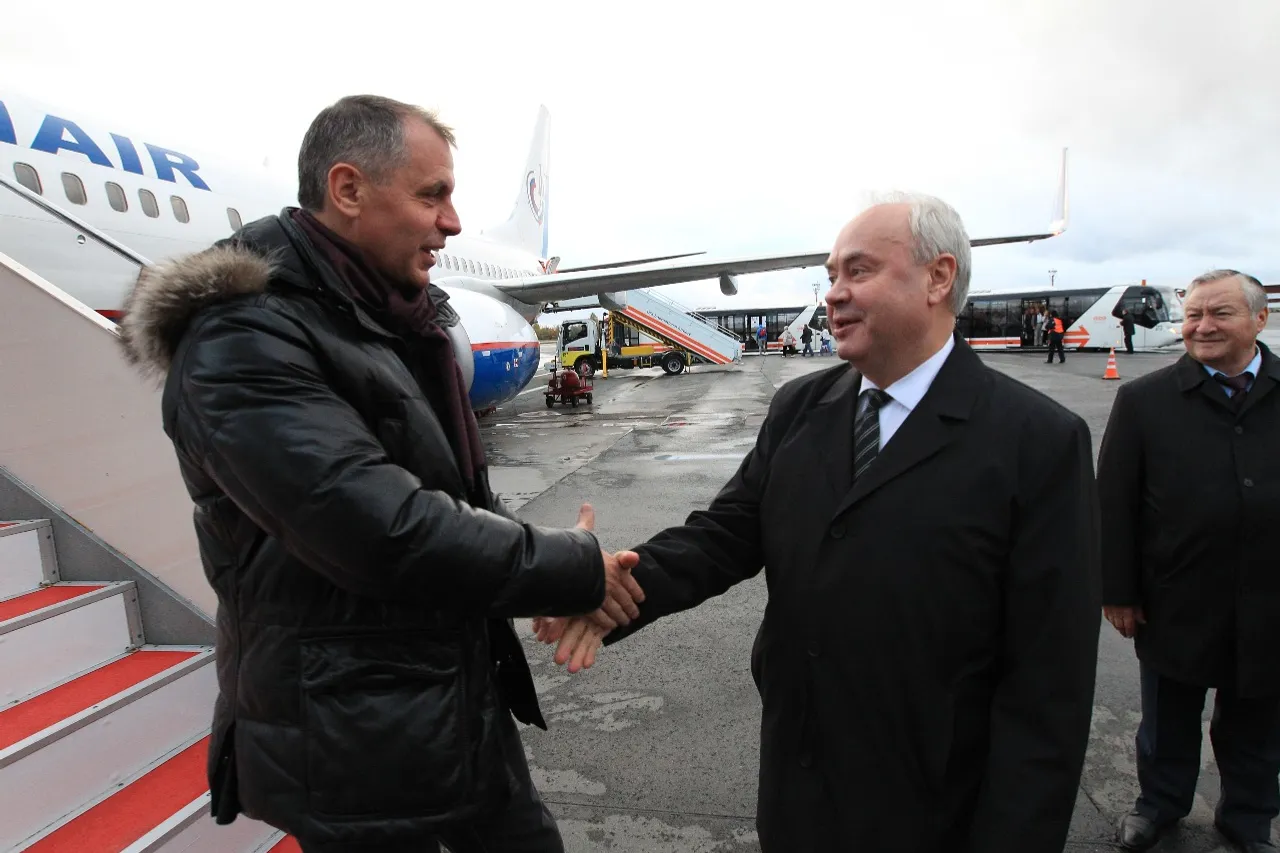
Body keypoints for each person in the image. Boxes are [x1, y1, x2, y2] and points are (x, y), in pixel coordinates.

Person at [118, 94, 644, 853]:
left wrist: (542, 575)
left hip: (453, 702)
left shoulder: (385, 316)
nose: (452, 222)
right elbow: (383, 529)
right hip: (350, 738)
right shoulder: (242, 338)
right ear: (348, 190)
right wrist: (572, 569)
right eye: (432, 195)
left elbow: (449, 496)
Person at [535, 193, 1102, 851]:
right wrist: (600, 584)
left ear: (938, 277)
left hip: (937, 806)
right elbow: (724, 535)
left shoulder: (1038, 442)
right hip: (798, 786)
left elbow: (1049, 687)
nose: (833, 294)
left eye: (858, 271)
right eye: (831, 275)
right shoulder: (799, 407)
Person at [1098, 269, 1280, 853]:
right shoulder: (1144, 400)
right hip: (1174, 595)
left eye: (1219, 313)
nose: (1201, 326)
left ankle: (1248, 819)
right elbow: (1114, 502)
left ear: (1259, 319)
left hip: (1269, 599)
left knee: (1258, 721)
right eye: (1194, 314)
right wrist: (1117, 590)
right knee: (1167, 717)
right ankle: (1159, 805)